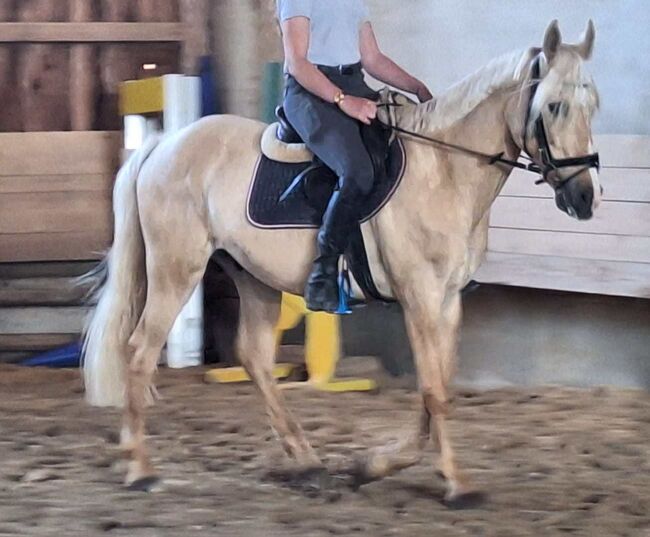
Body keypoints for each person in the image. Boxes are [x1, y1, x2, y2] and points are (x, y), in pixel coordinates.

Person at [277, 0, 433, 313]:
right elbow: (298, 62)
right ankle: (323, 271)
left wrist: (416, 87)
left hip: (354, 84)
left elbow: (371, 58)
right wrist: (342, 100)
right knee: (358, 171)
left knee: (406, 149)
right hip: (309, 92)